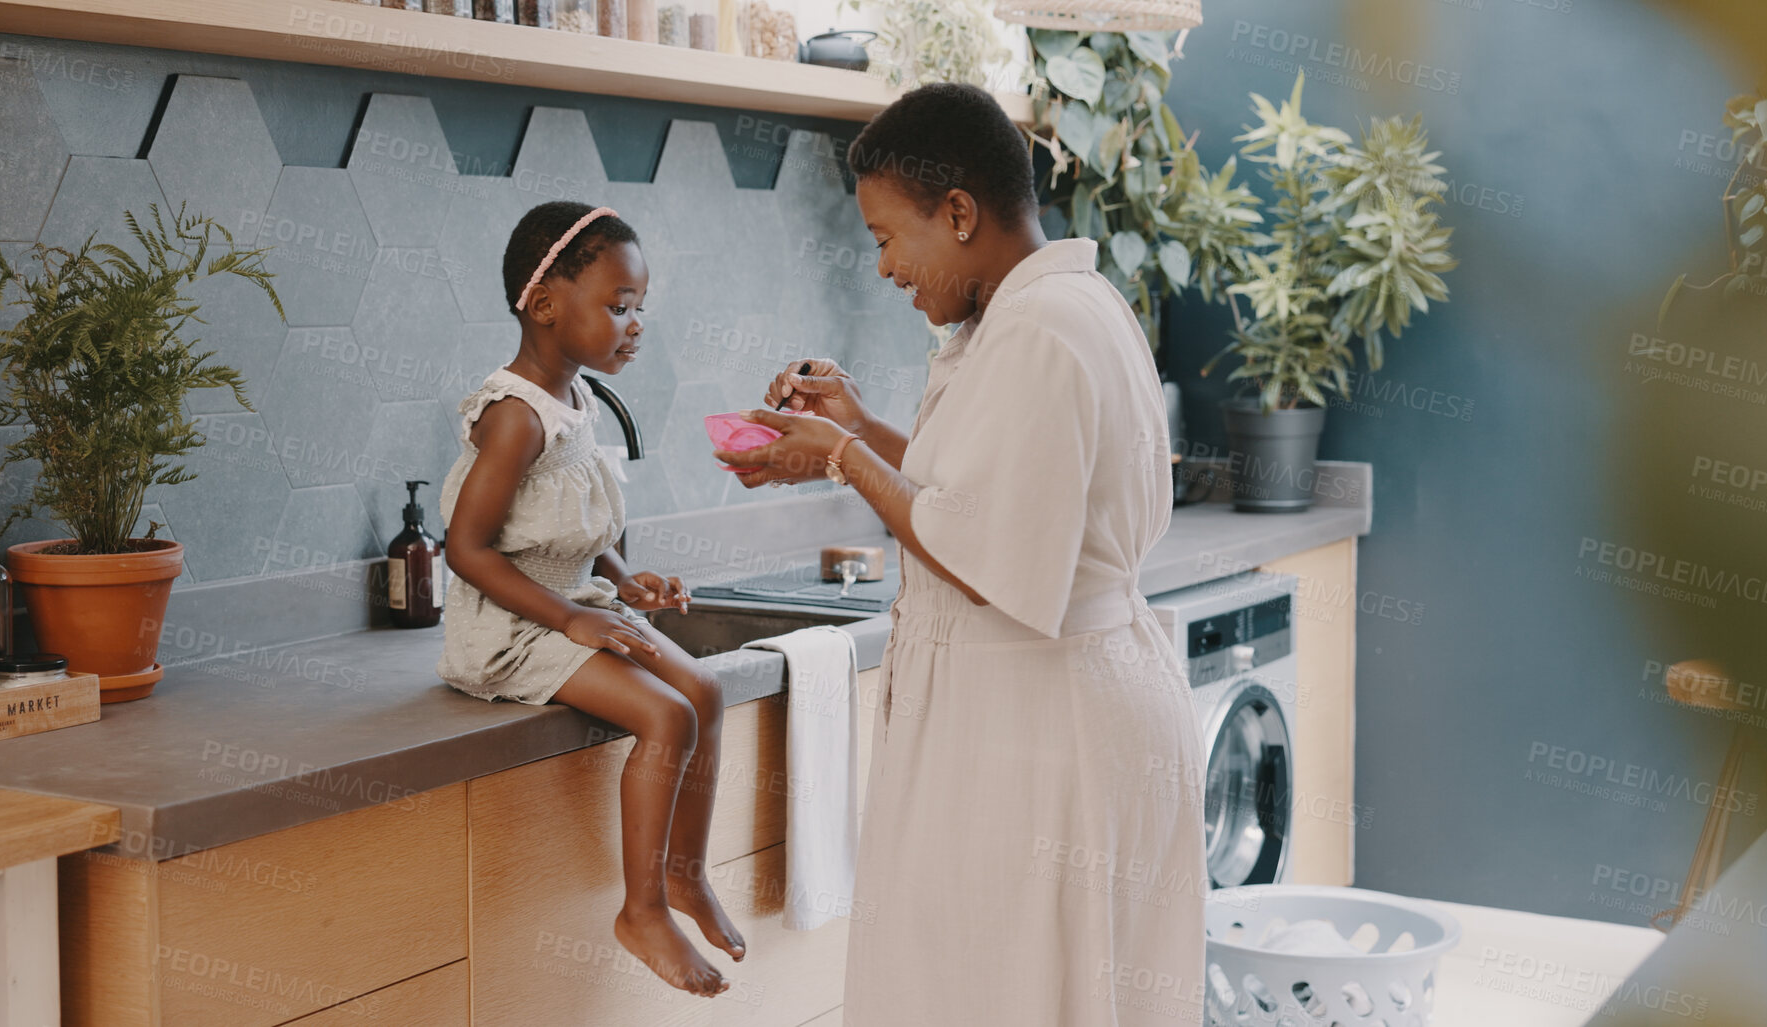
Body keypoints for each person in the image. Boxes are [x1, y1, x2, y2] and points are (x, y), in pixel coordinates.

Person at [715, 84, 1209, 1025]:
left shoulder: (1040, 329)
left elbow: (987, 558)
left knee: (1000, 994)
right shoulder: (1054, 311)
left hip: (1038, 725)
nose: (885, 268)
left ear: (958, 211)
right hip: (1060, 706)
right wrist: (858, 428)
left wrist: (840, 455)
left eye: (886, 237)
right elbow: (992, 501)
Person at [439, 201, 744, 997]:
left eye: (638, 307)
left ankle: (684, 875)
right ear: (544, 305)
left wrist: (623, 578)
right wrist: (573, 614)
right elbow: (466, 549)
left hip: (572, 604)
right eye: (618, 306)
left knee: (706, 688)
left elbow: (569, 526)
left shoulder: (577, 401)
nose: (634, 324)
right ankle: (639, 909)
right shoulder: (514, 417)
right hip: (512, 628)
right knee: (666, 712)